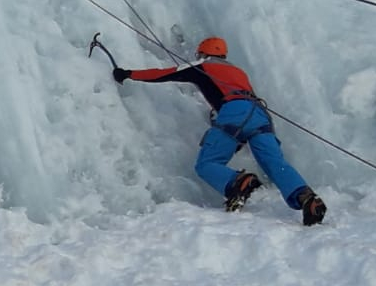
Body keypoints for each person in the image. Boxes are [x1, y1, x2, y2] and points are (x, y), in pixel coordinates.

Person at [114, 36, 327, 225]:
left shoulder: (204, 65)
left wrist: (128, 73)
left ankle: (237, 182)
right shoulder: (238, 72)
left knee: (207, 164)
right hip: (260, 114)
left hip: (235, 111)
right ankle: (307, 198)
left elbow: (165, 74)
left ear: (204, 53)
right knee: (274, 164)